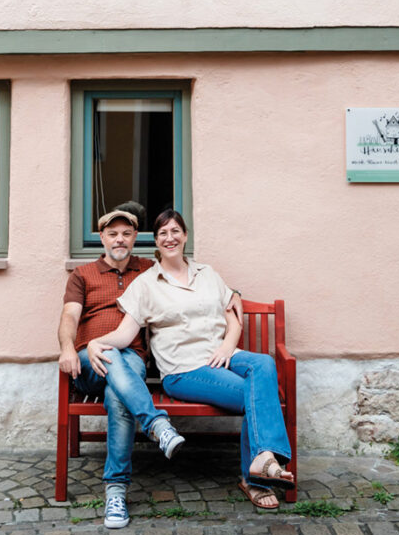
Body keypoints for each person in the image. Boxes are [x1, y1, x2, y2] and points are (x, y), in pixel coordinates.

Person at [87, 208, 294, 512]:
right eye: (162, 233)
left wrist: (226, 347)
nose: (170, 238)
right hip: (184, 371)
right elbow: (124, 332)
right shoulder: (146, 283)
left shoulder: (207, 274)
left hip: (221, 357)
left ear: (185, 236)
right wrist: (97, 342)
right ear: (156, 242)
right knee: (259, 395)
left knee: (263, 364)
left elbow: (233, 316)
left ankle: (262, 461)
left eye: (175, 231)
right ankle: (258, 477)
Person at [58, 206, 185, 529]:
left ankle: (115, 492)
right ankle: (157, 424)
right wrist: (66, 349)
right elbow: (70, 317)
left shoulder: (147, 269)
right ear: (102, 238)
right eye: (113, 234)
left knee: (119, 392)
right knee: (115, 361)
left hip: (130, 359)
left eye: (126, 234)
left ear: (135, 239)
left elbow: (186, 277)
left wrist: (233, 294)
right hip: (91, 359)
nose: (120, 239)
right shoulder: (82, 275)